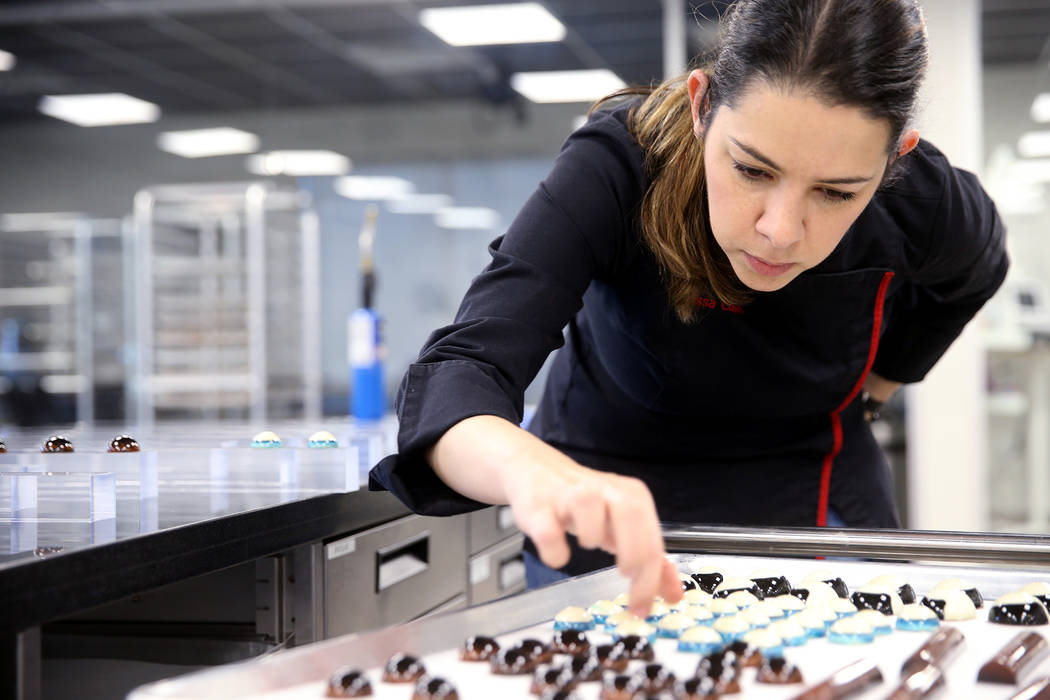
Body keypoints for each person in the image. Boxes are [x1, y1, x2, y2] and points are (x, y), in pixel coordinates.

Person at [370, 0, 1008, 617]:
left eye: (836, 193)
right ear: (704, 106)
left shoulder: (922, 199)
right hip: (611, 497)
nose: (780, 230)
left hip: (814, 494)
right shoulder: (619, 164)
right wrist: (537, 475)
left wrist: (881, 385)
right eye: (753, 171)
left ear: (895, 158)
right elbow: (462, 369)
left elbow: (978, 270)